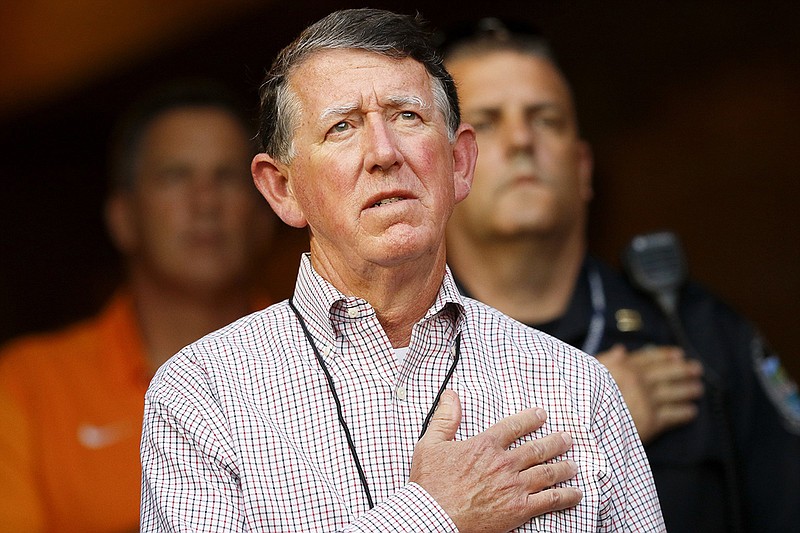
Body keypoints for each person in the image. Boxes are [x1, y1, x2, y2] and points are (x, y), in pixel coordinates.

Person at [139, 8, 664, 532]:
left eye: (406, 117)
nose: (383, 153)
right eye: (342, 127)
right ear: (282, 189)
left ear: (460, 164)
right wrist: (431, 516)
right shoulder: (201, 398)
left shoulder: (576, 388)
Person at [441, 18, 800, 533]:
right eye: (488, 122)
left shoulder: (696, 335)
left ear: (583, 168)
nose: (521, 138)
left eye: (546, 119)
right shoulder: (391, 357)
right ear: (446, 169)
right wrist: (597, 420)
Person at [0, 80, 275, 532]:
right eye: (175, 176)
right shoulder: (30, 384)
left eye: (226, 177)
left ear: (267, 211)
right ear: (124, 218)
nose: (205, 201)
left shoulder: (329, 358)